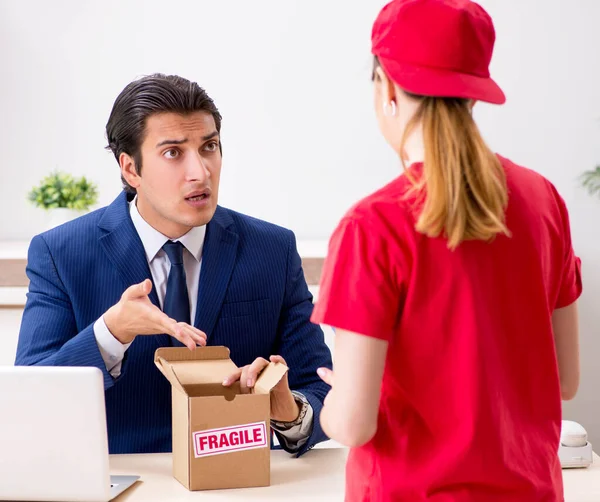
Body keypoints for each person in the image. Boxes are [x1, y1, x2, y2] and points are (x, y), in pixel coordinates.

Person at [311, 0, 582, 500]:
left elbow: (352, 426)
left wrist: (335, 393)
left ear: (386, 88)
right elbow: (564, 381)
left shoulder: (370, 226)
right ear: (475, 95)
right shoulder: (544, 201)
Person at [15, 74, 332, 456]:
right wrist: (110, 334)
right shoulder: (61, 253)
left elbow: (319, 391)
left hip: (240, 482)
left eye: (209, 146)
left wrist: (288, 411)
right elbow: (30, 402)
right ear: (130, 168)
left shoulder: (272, 249)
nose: (201, 171)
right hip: (123, 482)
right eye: (173, 153)